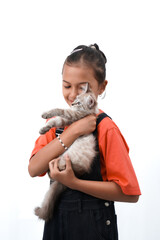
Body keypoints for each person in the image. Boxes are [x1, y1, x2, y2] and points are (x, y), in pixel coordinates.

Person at [28, 44, 141, 240]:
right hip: (56, 228)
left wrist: (74, 183)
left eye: (82, 87)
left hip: (93, 229)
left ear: (102, 87)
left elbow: (130, 194)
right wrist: (73, 132)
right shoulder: (55, 126)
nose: (72, 95)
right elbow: (33, 168)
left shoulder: (106, 128)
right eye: (66, 86)